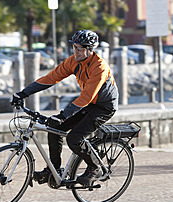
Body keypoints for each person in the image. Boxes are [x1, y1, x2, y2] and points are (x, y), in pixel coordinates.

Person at [11, 30, 119, 186]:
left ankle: (95, 167)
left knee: (74, 139)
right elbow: (51, 78)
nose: (76, 52)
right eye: (74, 47)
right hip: (88, 104)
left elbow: (87, 96)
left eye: (80, 49)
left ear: (90, 50)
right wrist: (23, 93)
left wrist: (63, 115)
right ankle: (53, 169)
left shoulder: (99, 67)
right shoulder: (73, 61)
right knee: (54, 130)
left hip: (103, 107)